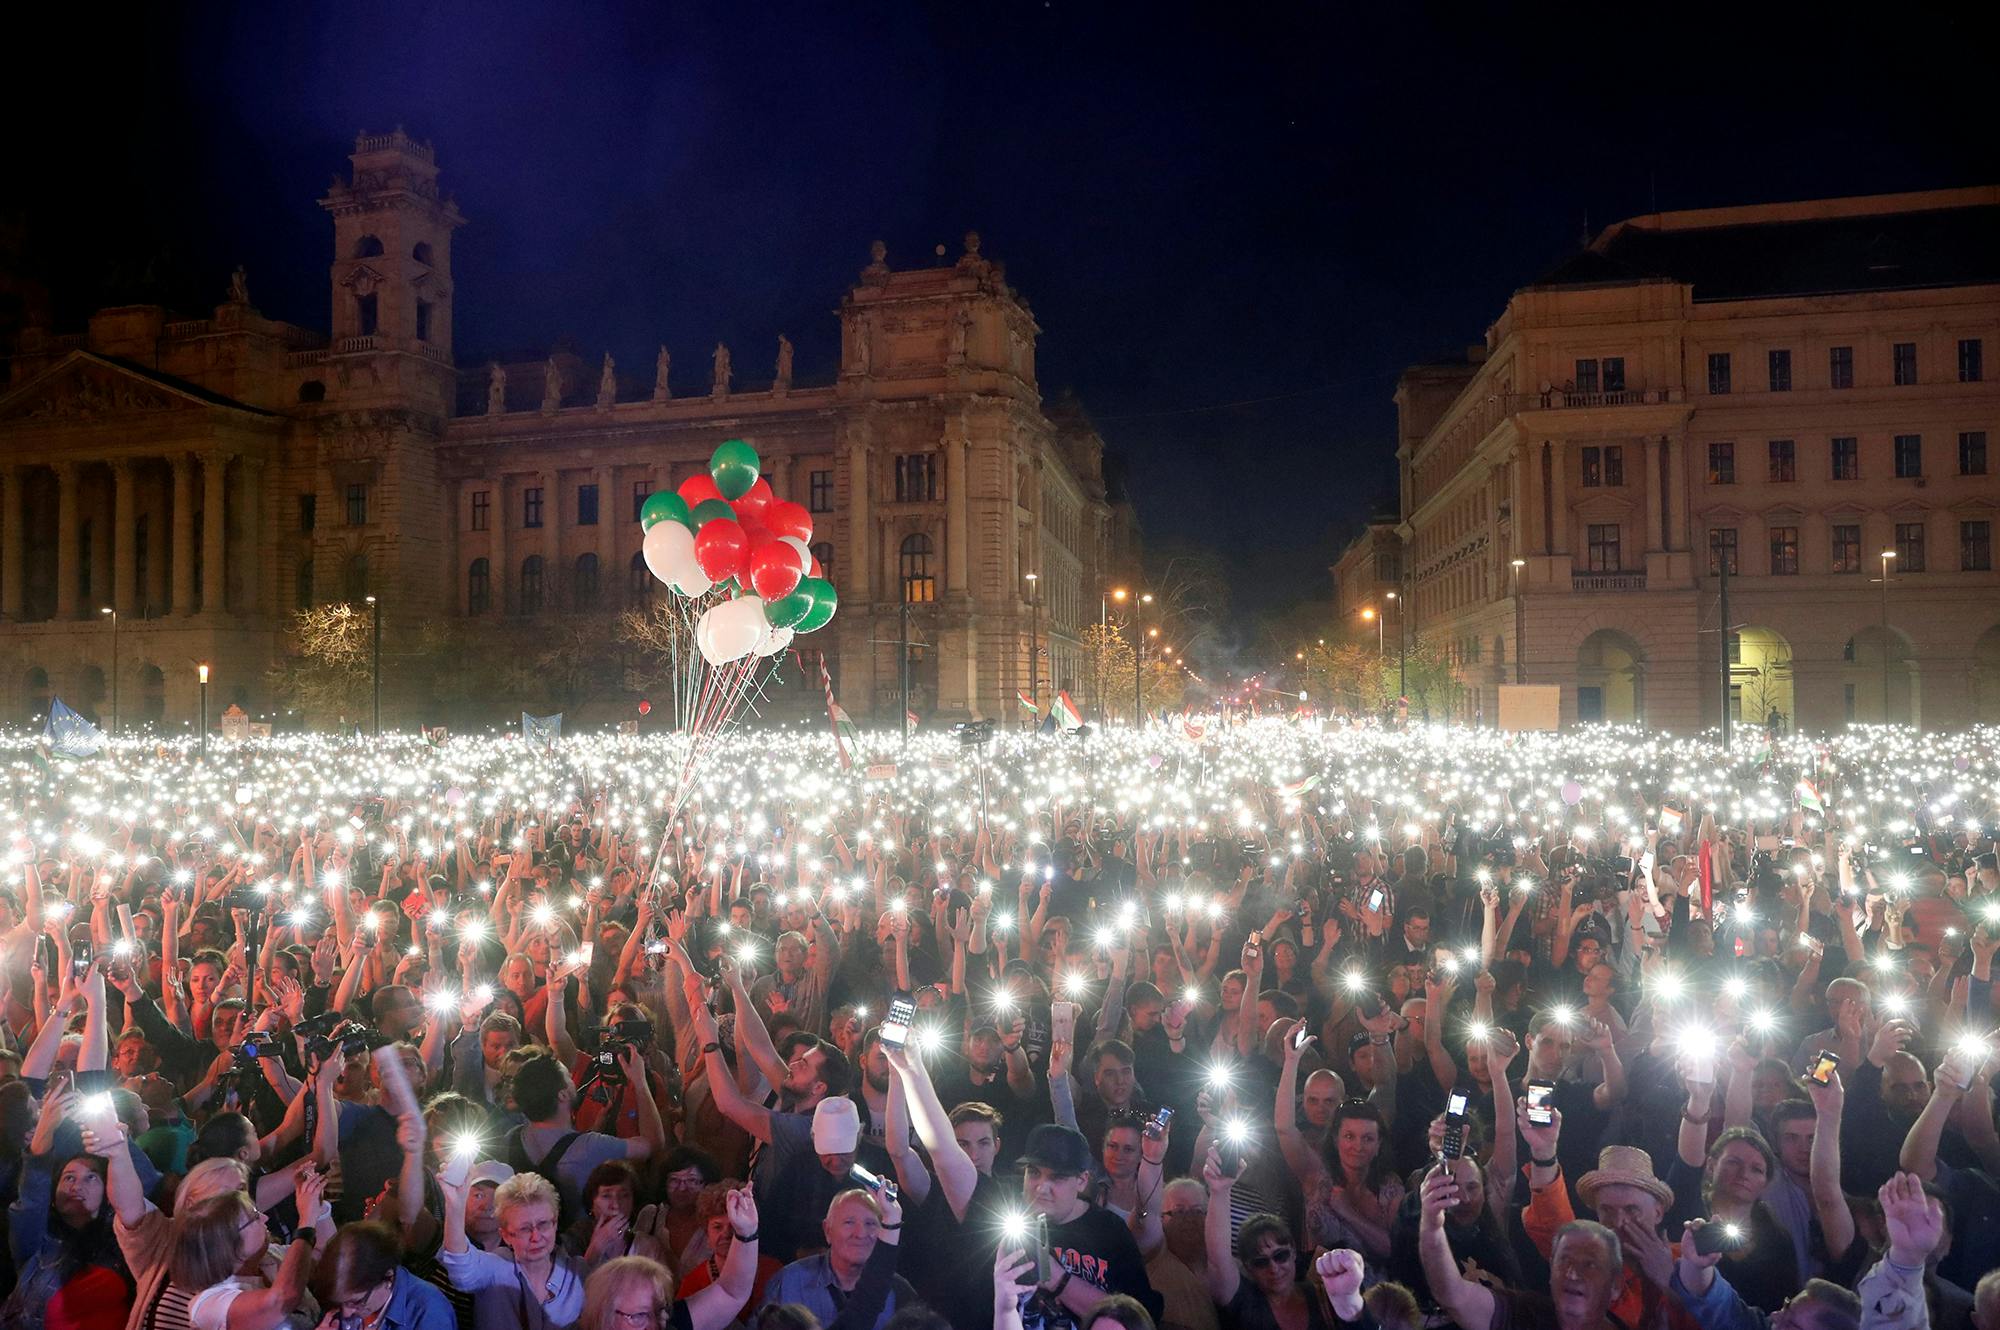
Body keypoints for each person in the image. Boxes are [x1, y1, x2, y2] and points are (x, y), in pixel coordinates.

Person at [1419, 1161, 1622, 1330]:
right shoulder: (1527, 1314)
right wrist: (1432, 1226)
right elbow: (1454, 1296)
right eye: (1565, 1260)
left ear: (1615, 1285)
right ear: (1551, 1268)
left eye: (1590, 1264)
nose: (1573, 1273)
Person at [1017, 1123, 1164, 1327]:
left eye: (1057, 1177)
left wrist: (1059, 1280)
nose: (1042, 1188)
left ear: (1082, 1180)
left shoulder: (1109, 1231)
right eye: (1033, 1172)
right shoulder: (1006, 1223)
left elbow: (1139, 1318)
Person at [439, 1169, 590, 1330]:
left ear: (555, 1224)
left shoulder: (577, 1271)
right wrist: (455, 1206)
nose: (536, 1237)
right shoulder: (495, 1267)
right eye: (525, 1229)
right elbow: (460, 1267)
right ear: (505, 1235)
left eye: (543, 1224)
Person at [1201, 1145, 1330, 1329]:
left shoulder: (1322, 1297)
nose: (1274, 1268)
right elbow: (1218, 1260)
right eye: (1261, 1262)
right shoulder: (1246, 1303)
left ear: (1293, 1252)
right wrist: (1219, 1191)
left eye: (1280, 1256)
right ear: (1247, 1267)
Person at [758, 1187, 915, 1330]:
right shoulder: (788, 1282)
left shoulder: (899, 1291)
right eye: (849, 1222)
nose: (860, 1234)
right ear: (827, 1230)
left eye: (871, 1223)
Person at [309, 1221, 456, 1330]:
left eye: (357, 1302)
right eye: (339, 1303)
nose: (346, 1314)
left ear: (388, 1277)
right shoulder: (341, 1300)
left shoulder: (429, 1310)